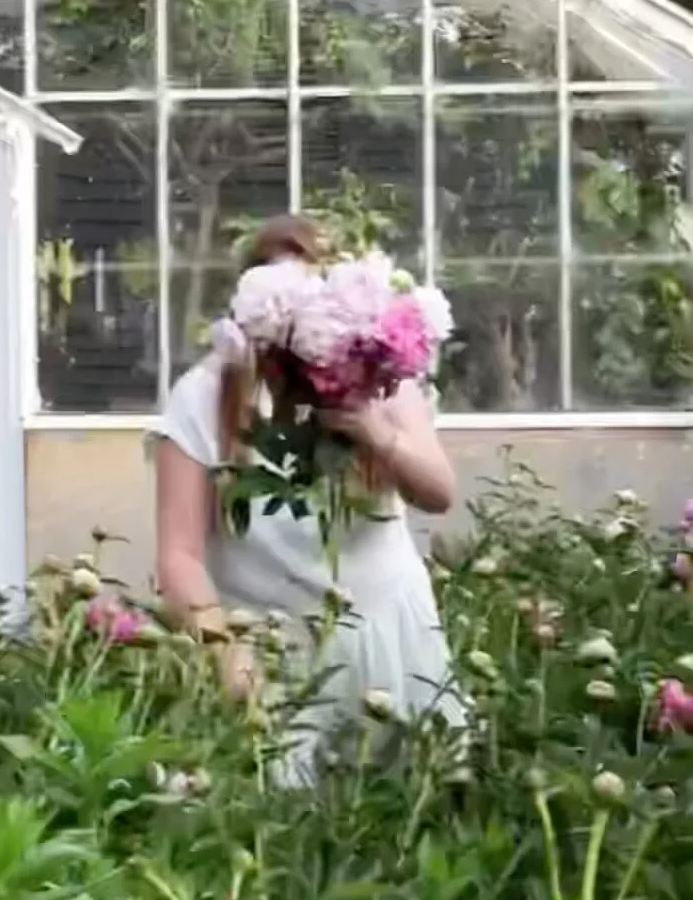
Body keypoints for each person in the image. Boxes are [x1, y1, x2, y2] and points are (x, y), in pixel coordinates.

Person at [149, 215, 464, 774]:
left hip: (391, 636)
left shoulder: (377, 375)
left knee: (413, 803)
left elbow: (439, 493)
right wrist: (224, 648)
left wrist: (375, 431)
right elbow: (179, 556)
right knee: (282, 818)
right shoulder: (205, 394)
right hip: (273, 655)